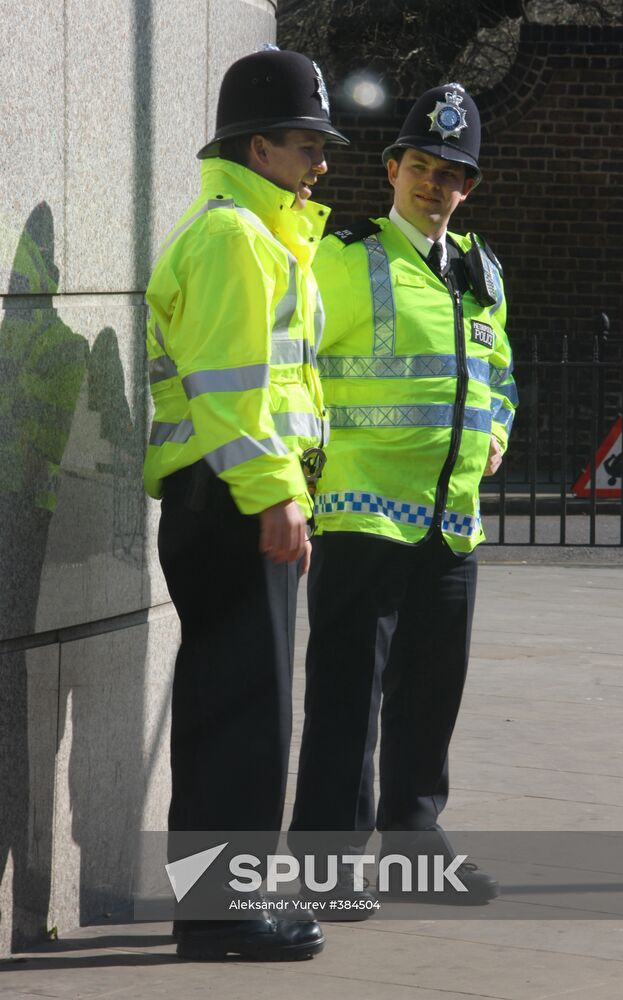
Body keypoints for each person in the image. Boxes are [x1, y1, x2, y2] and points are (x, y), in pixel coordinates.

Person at [290, 83, 517, 905]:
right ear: (390, 170)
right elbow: (293, 355)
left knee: (430, 692)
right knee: (347, 697)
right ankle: (326, 861)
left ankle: (414, 845)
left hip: (452, 525)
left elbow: (498, 369)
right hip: (362, 514)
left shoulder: (482, 269)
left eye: (449, 172)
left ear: (468, 187)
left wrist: (500, 425)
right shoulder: (347, 257)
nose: (432, 183)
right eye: (418, 165)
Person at [143, 47, 348, 959]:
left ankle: (212, 911)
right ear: (259, 146)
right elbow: (231, 389)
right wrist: (275, 495)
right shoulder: (235, 238)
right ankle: (225, 913)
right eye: (308, 144)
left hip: (222, 500)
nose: (320, 164)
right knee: (244, 718)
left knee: (230, 712)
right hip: (231, 501)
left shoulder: (254, 235)